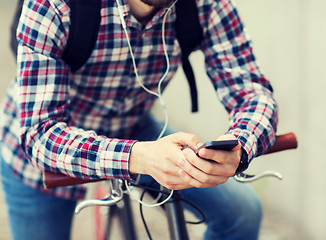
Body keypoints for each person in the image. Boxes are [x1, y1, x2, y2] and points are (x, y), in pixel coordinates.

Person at [0, 0, 278, 239]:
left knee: (243, 212)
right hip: (42, 154)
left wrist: (240, 146)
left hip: (131, 126)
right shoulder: (54, 5)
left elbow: (253, 93)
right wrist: (138, 156)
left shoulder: (205, 5)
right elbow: (40, 134)